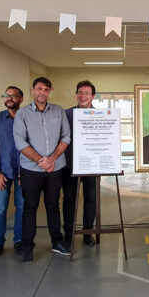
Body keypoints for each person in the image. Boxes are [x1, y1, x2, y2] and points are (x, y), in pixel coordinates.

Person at [13, 77, 71, 263]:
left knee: (53, 206)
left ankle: (57, 242)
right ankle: (28, 246)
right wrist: (40, 160)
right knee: (29, 208)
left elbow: (66, 137)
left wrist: (51, 159)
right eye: (39, 89)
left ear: (50, 91)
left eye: (46, 90)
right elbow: (20, 142)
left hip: (55, 168)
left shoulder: (58, 111)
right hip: (31, 170)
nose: (42, 93)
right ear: (32, 90)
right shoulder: (22, 114)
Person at [0, 86, 25, 257]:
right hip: (3, 172)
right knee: (0, 208)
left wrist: (27, 171)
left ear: (21, 99)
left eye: (13, 96)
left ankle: (19, 241)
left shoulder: (27, 118)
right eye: (6, 95)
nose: (9, 98)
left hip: (23, 172)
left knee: (22, 207)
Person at [62, 81, 98, 247]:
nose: (83, 96)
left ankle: (87, 233)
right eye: (80, 92)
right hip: (70, 165)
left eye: (87, 93)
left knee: (91, 199)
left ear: (92, 96)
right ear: (76, 95)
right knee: (69, 200)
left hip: (92, 167)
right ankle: (69, 234)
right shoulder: (66, 114)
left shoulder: (101, 116)